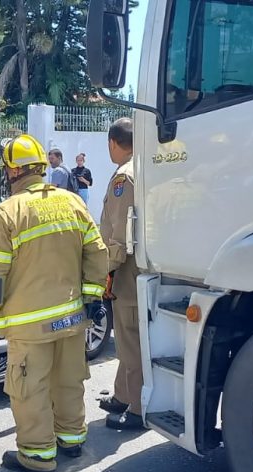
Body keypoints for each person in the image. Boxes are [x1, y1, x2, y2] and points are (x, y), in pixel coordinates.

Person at [0, 134, 109, 472]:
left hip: (30, 325)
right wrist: (92, 298)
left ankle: (37, 455)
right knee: (69, 379)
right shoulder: (72, 203)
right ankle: (72, 439)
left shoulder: (7, 213)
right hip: (73, 317)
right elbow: (96, 252)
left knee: (30, 387)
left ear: (11, 171)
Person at [98, 117, 145, 431]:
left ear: (115, 143)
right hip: (138, 267)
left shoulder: (123, 179)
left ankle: (139, 409)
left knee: (130, 343)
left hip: (125, 271)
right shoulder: (141, 169)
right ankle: (121, 395)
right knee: (128, 341)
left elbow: (119, 235)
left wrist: (104, 271)